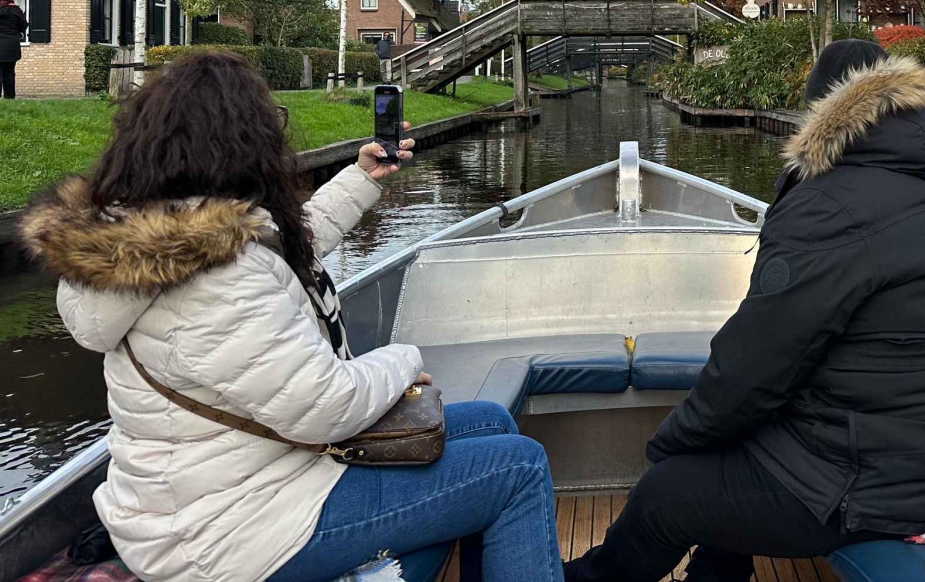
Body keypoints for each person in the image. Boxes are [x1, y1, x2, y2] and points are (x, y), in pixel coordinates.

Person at [23, 50, 564, 582]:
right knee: (517, 468)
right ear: (242, 146)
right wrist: (403, 358)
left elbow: (285, 245)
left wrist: (363, 178)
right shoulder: (222, 277)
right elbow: (328, 407)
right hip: (233, 534)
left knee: (491, 420)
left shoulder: (166, 240)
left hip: (231, 488)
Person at [566, 39, 925, 582]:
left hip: (883, 481)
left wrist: (669, 444)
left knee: (665, 496)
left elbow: (754, 365)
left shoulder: (828, 206)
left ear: (824, 114)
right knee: (729, 442)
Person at [0, 0, 26, 99]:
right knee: (9, 72)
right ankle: (9, 97)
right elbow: (23, 25)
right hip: (11, 45)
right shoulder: (15, 10)